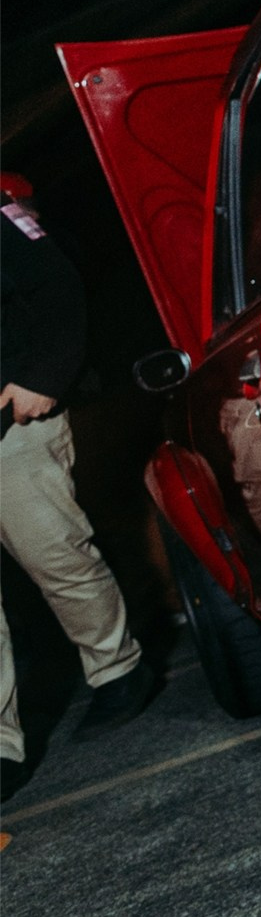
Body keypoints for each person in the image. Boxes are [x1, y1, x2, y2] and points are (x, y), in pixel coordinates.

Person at [1, 176, 157, 794]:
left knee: (54, 556)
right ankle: (3, 751)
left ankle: (118, 671)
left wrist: (44, 375)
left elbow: (56, 283)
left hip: (12, 424)